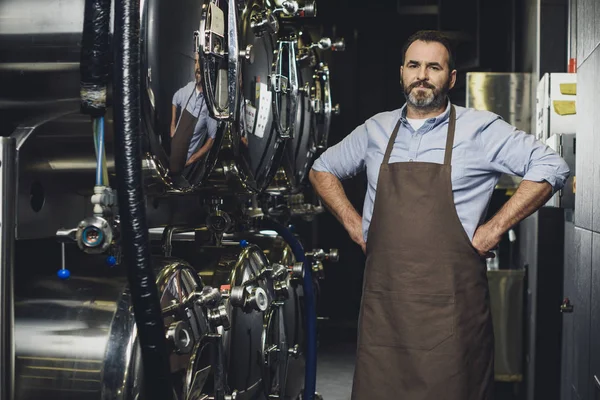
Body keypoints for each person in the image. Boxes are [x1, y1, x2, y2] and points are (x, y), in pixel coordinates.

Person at [309, 30, 570, 400]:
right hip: (385, 315)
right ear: (401, 72)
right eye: (414, 65)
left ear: (450, 78)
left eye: (434, 67)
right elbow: (322, 170)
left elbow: (551, 166)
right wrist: (356, 226)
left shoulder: (479, 129)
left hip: (452, 317)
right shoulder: (376, 129)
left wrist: (493, 229)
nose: (422, 75)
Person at [170, 52, 218, 177]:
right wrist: (173, 124)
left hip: (187, 168)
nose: (197, 67)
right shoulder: (189, 88)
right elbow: (175, 98)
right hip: (173, 155)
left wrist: (193, 158)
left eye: (201, 63)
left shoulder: (210, 104)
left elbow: (212, 138)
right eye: (195, 62)